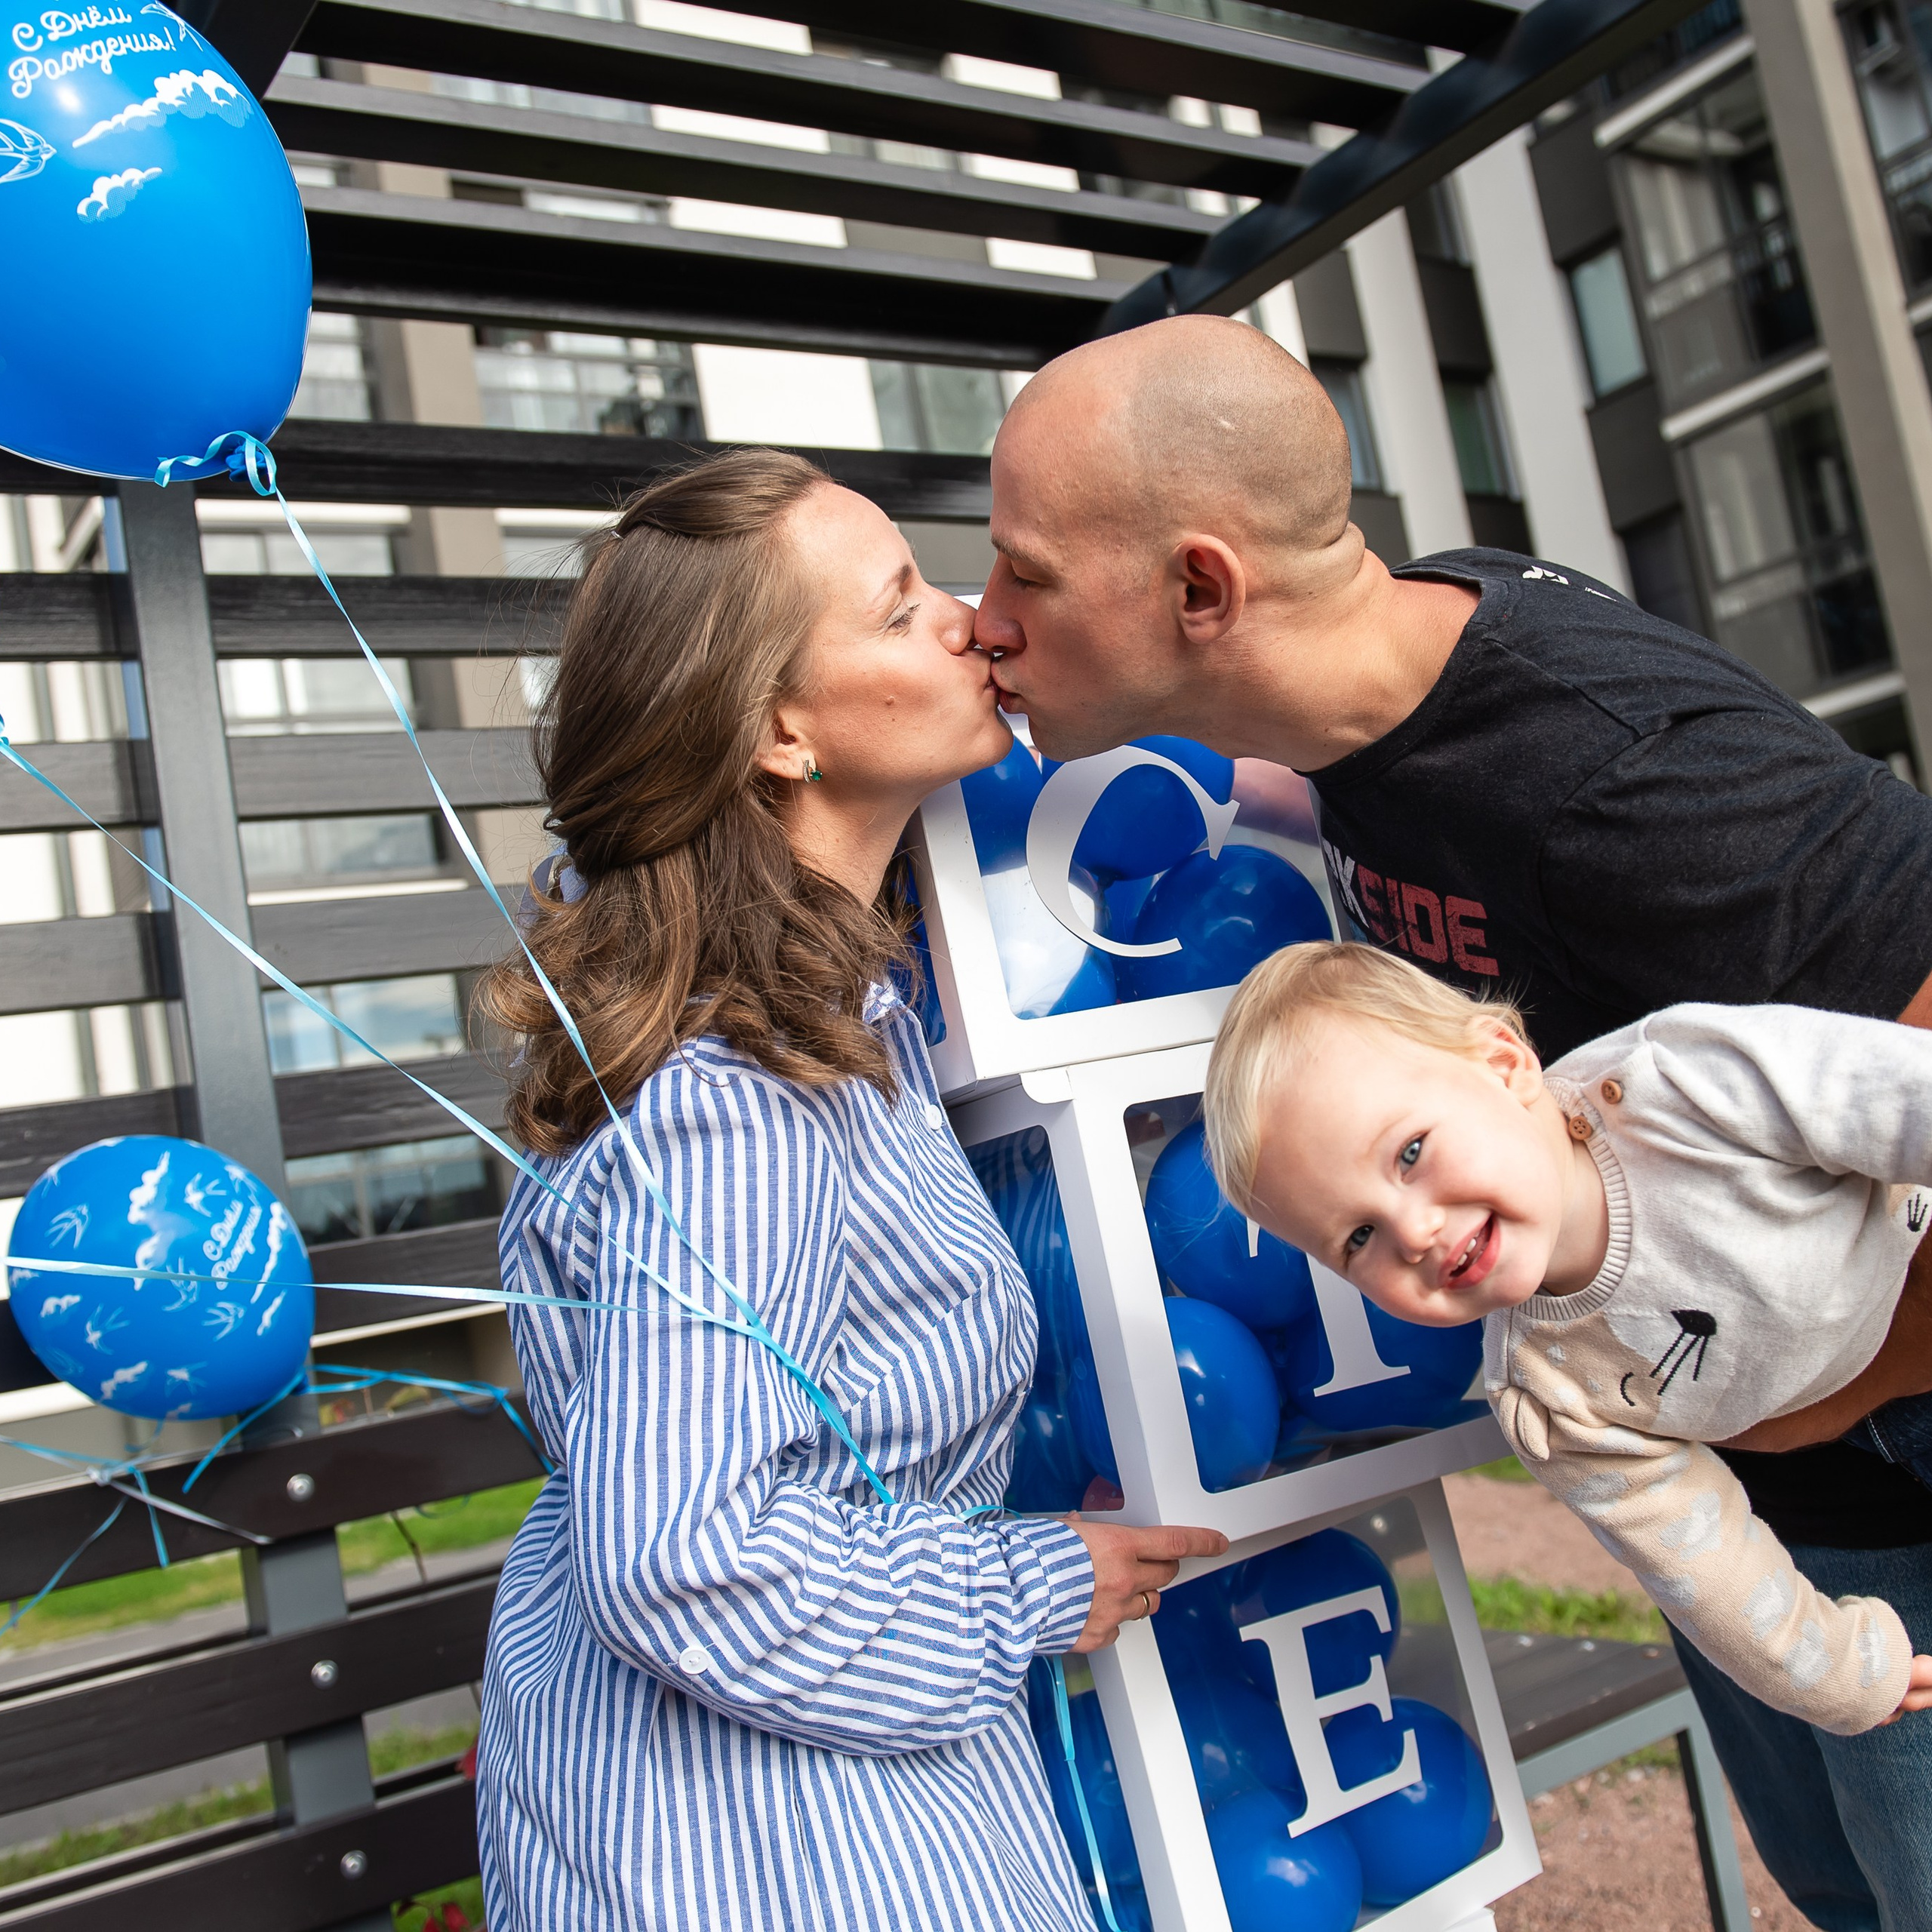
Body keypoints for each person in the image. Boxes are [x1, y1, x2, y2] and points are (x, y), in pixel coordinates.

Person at [975, 311, 1932, 1927]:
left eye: (1022, 576)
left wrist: (1769, 1404)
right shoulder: (1384, 671)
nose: (982, 623)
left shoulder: (1617, 773)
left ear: (1201, 589)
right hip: (1742, 1524)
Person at [471, 448, 1226, 1931]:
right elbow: (683, 1555)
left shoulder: (832, 1024)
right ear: (778, 730)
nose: (961, 619)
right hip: (760, 1847)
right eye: (896, 609)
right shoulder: (735, 1102)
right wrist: (1025, 1581)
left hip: (805, 1805)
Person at [1202, 940, 1932, 1733]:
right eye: (1356, 1238)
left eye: (1410, 1151)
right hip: (1839, 1439)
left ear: (1504, 1064)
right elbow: (1699, 1559)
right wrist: (1834, 1674)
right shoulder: (1547, 1392)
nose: (1411, 1232)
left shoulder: (1685, 1087)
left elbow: (1889, 1093)